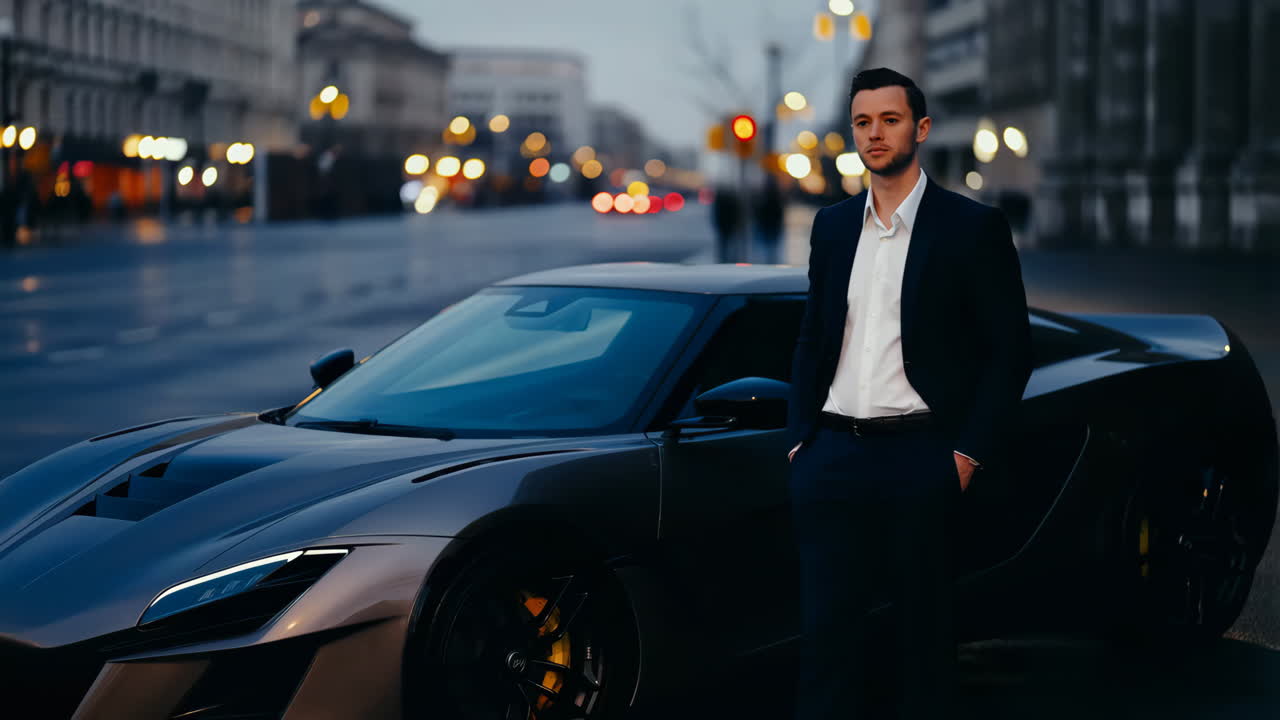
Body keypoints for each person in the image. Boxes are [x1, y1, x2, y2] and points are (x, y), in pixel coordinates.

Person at [785, 68, 1032, 719]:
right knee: (825, 645)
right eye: (863, 121)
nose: (874, 133)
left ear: (920, 128)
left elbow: (1010, 353)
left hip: (921, 459)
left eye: (889, 120)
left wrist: (967, 456)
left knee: (922, 644)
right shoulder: (833, 226)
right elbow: (813, 336)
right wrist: (798, 441)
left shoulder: (971, 228)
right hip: (832, 456)